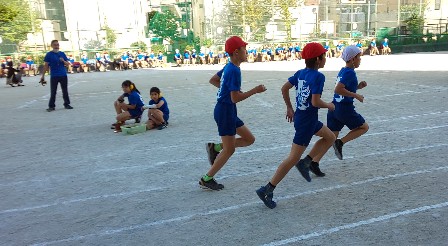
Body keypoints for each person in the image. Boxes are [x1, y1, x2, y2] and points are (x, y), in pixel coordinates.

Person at [256, 43, 336, 209]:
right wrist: (329, 105)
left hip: (304, 118)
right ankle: (267, 189)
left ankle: (306, 162)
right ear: (318, 59)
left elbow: (284, 88)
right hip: (307, 122)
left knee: (330, 137)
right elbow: (315, 101)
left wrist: (290, 107)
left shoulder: (301, 73)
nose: (325, 59)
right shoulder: (318, 77)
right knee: (293, 158)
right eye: (324, 56)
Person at [200, 36, 267, 191]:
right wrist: (254, 91)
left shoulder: (230, 67)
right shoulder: (233, 70)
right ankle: (206, 178)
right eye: (244, 49)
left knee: (249, 139)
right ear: (236, 52)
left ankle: (216, 148)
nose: (247, 51)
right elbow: (235, 98)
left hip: (227, 110)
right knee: (229, 150)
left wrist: (227, 91)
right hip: (225, 112)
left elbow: (214, 80)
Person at [328, 45, 369, 160]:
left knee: (329, 138)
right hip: (344, 108)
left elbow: (344, 88)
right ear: (352, 59)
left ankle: (312, 161)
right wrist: (356, 95)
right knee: (364, 127)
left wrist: (357, 87)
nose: (360, 60)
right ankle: (340, 142)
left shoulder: (343, 70)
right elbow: (338, 89)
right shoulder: (350, 73)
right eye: (359, 58)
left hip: (335, 106)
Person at [41, 40, 73, 112]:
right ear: (52, 46)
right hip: (54, 75)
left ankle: (66, 104)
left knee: (65, 91)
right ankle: (51, 106)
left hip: (63, 75)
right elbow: (46, 65)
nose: (56, 46)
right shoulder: (49, 54)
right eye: (55, 45)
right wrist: (43, 75)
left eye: (57, 45)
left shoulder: (62, 54)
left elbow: (67, 64)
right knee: (53, 91)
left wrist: (63, 61)